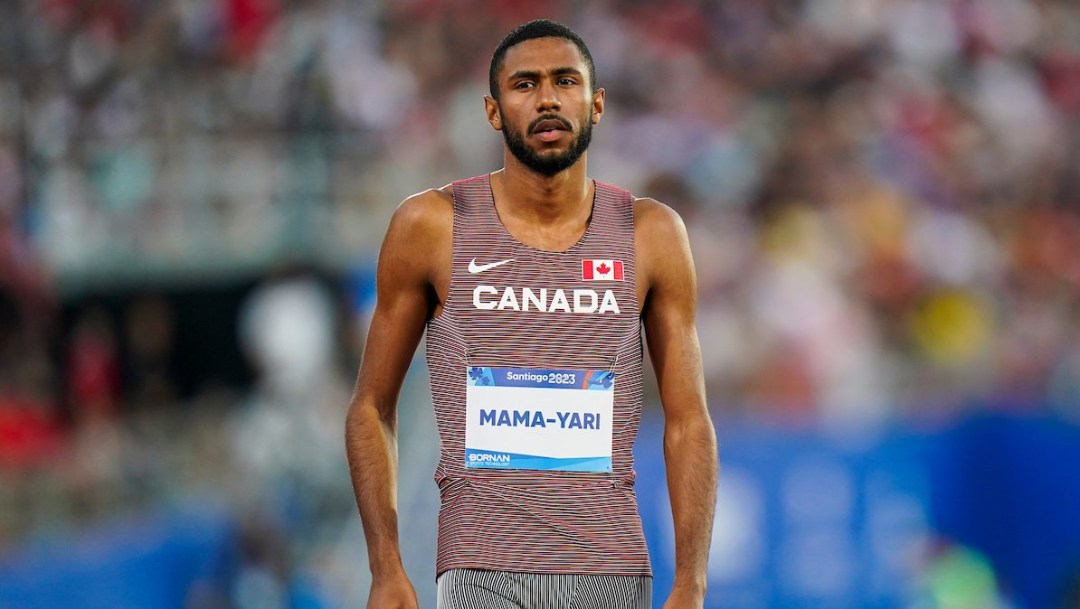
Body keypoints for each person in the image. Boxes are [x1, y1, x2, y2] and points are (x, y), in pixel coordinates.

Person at [345, 19, 718, 609]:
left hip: (611, 573)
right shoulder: (432, 227)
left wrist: (692, 583)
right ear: (493, 112)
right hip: (478, 573)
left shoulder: (650, 235)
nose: (547, 99)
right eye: (525, 85)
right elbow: (370, 406)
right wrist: (385, 568)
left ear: (596, 104)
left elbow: (689, 421)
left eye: (565, 81)